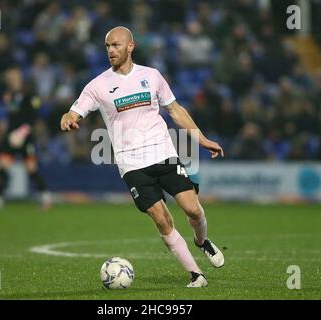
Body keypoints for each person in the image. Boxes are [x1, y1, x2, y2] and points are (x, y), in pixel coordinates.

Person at [60, 26, 225, 287]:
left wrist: (202, 140)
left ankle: (202, 241)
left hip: (163, 153)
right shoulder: (98, 85)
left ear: (130, 46)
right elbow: (74, 111)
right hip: (132, 163)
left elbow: (175, 110)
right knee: (162, 218)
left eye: (115, 45)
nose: (111, 50)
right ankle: (196, 275)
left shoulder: (152, 76)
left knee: (193, 210)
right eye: (107, 46)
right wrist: (68, 118)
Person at [0, 66, 51, 212]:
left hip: (25, 136)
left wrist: (22, 133)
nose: (11, 78)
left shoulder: (29, 94)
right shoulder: (7, 94)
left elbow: (33, 117)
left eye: (13, 76)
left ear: (19, 77)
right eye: (9, 76)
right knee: (2, 165)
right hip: (11, 135)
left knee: (31, 169)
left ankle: (45, 197)